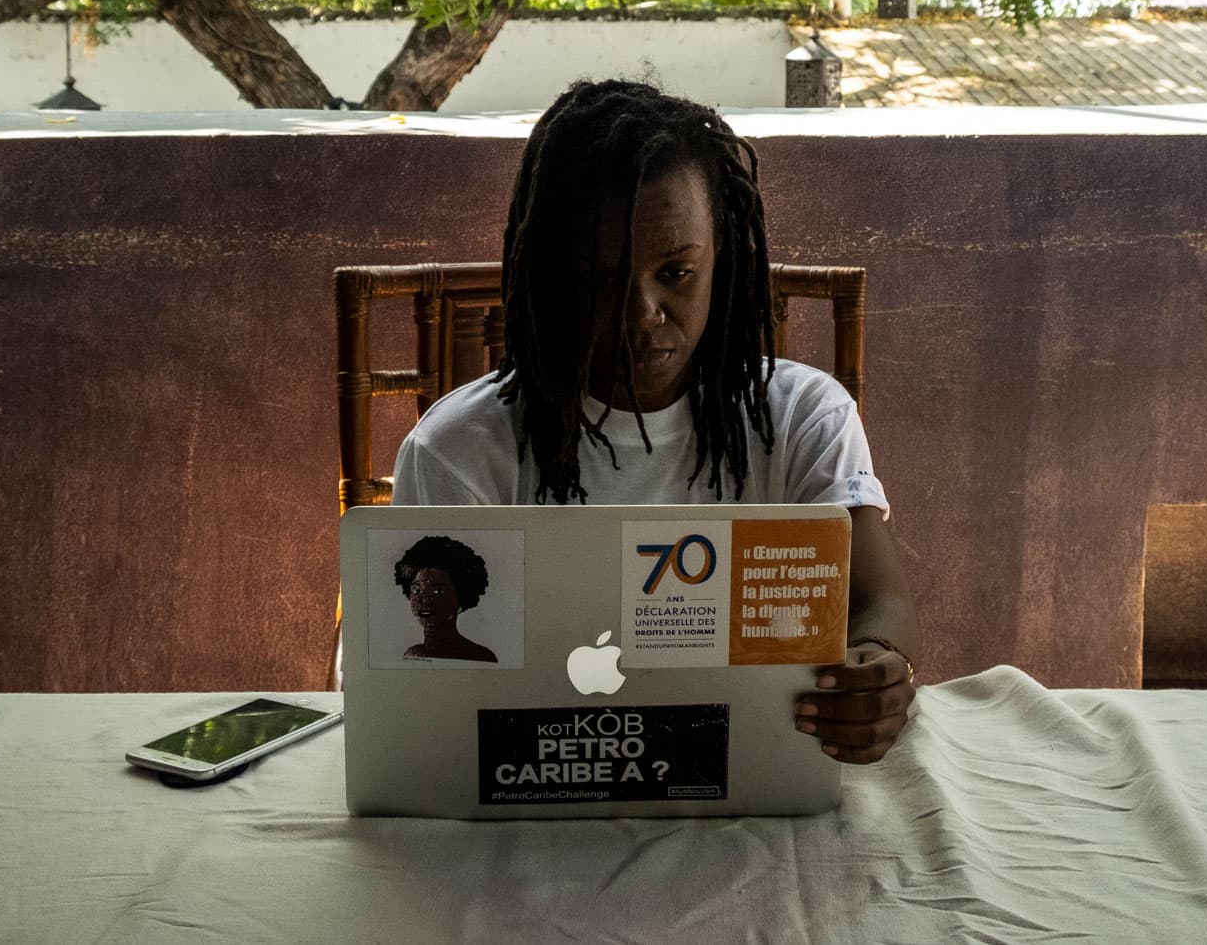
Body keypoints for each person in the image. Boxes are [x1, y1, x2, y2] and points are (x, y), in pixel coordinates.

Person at [392, 79, 920, 764]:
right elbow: (427, 701)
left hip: (747, 808)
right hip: (520, 820)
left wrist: (878, 665)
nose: (642, 312)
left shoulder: (803, 418)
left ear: (723, 257)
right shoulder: (456, 450)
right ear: (552, 275)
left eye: (676, 271)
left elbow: (881, 603)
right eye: (599, 279)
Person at [393, 535, 500, 663]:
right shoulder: (412, 655)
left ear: (461, 597)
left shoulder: (481, 657)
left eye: (438, 591)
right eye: (416, 590)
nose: (425, 599)